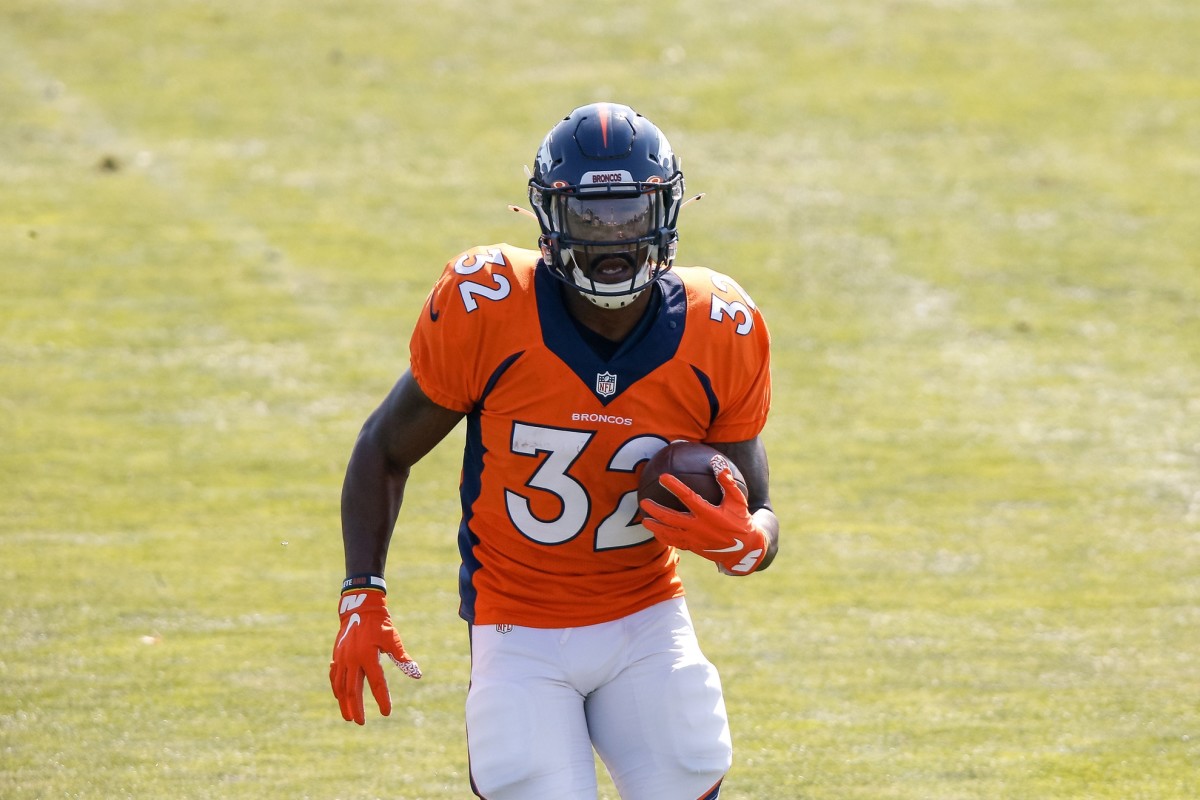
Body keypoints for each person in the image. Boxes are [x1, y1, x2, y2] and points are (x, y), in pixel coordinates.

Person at [329, 102, 780, 800]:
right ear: (548, 217)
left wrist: (753, 539)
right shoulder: (489, 305)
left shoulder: (720, 324)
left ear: (665, 212)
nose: (611, 239)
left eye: (630, 214)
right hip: (519, 626)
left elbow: (758, 506)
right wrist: (363, 592)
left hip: (646, 616)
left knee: (688, 764)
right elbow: (384, 448)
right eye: (590, 218)